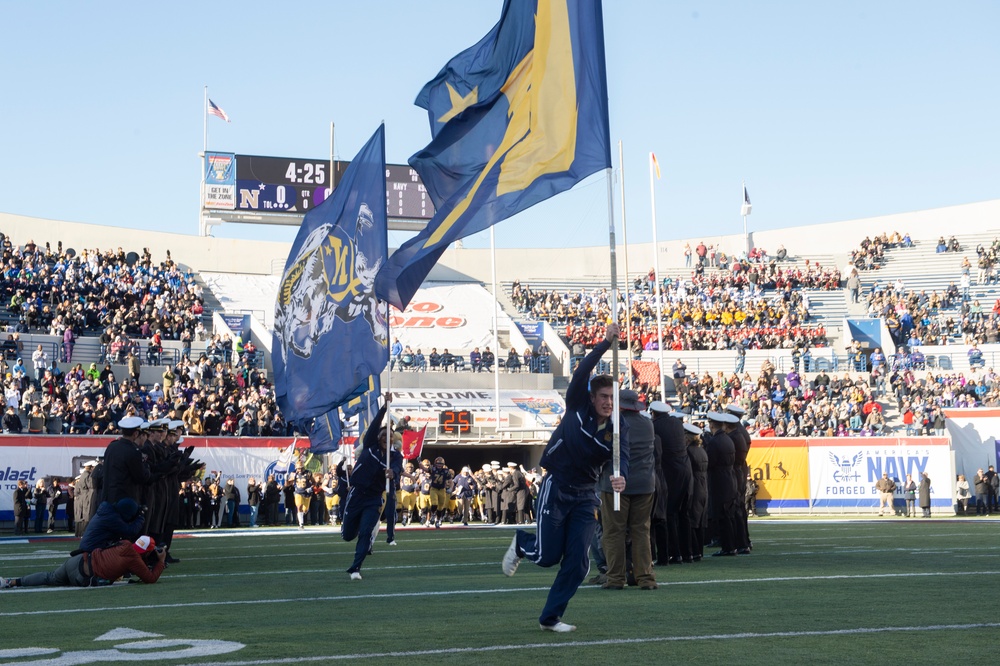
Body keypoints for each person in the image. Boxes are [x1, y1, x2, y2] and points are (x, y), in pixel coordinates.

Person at [501, 322, 628, 633]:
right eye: (603, 396)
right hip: (557, 487)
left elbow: (622, 455)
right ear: (592, 396)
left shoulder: (616, 426)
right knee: (546, 556)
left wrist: (620, 475)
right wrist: (603, 343)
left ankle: (550, 617)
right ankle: (521, 543)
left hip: (586, 495)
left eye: (612, 396)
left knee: (578, 563)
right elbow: (583, 371)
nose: (608, 402)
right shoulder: (576, 405)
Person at [342, 394, 402, 580]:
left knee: (366, 532)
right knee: (347, 535)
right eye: (384, 435)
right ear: (378, 437)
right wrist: (385, 407)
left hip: (374, 498)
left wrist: (392, 473)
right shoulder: (369, 445)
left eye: (390, 436)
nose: (387, 437)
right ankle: (359, 526)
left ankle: (355, 569)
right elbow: (376, 424)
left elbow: (397, 470)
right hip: (357, 494)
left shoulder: (395, 457)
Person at [600, 389, 656, 591]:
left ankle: (615, 577)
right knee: (641, 531)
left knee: (614, 531)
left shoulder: (614, 424)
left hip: (616, 484)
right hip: (645, 484)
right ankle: (646, 577)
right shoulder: (647, 423)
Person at [1, 536, 165, 589]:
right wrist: (161, 561)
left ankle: (10, 581)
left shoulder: (125, 543)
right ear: (148, 551)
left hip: (79, 559)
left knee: (48, 577)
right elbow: (150, 578)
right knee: (53, 580)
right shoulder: (135, 560)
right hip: (84, 577)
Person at [703, 412, 739, 556]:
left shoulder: (715, 441)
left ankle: (727, 547)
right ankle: (730, 546)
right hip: (729, 478)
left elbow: (710, 462)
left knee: (723, 516)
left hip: (719, 480)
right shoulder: (727, 439)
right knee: (728, 515)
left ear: (712, 425)